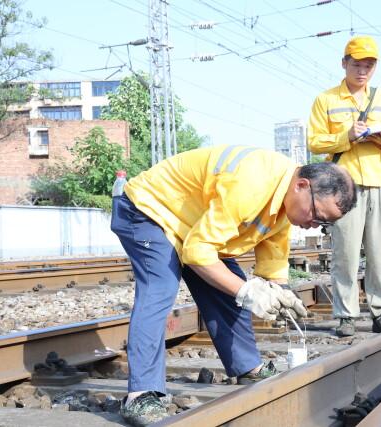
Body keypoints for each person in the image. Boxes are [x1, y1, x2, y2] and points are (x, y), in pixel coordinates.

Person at [111, 145, 357, 426]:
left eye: (323, 224)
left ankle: (247, 367)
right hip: (147, 210)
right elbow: (197, 252)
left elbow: (273, 255)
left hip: (192, 227)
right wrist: (247, 290)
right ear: (302, 186)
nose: (313, 225)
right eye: (316, 215)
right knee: (160, 287)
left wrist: (279, 291)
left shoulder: (286, 199)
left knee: (228, 287)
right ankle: (141, 394)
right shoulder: (252, 182)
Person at [307, 35, 381, 337]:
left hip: (380, 180)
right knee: (345, 253)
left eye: (368, 66)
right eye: (356, 64)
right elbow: (314, 141)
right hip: (343, 185)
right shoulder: (326, 100)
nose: (362, 71)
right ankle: (345, 316)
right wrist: (347, 136)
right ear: (344, 64)